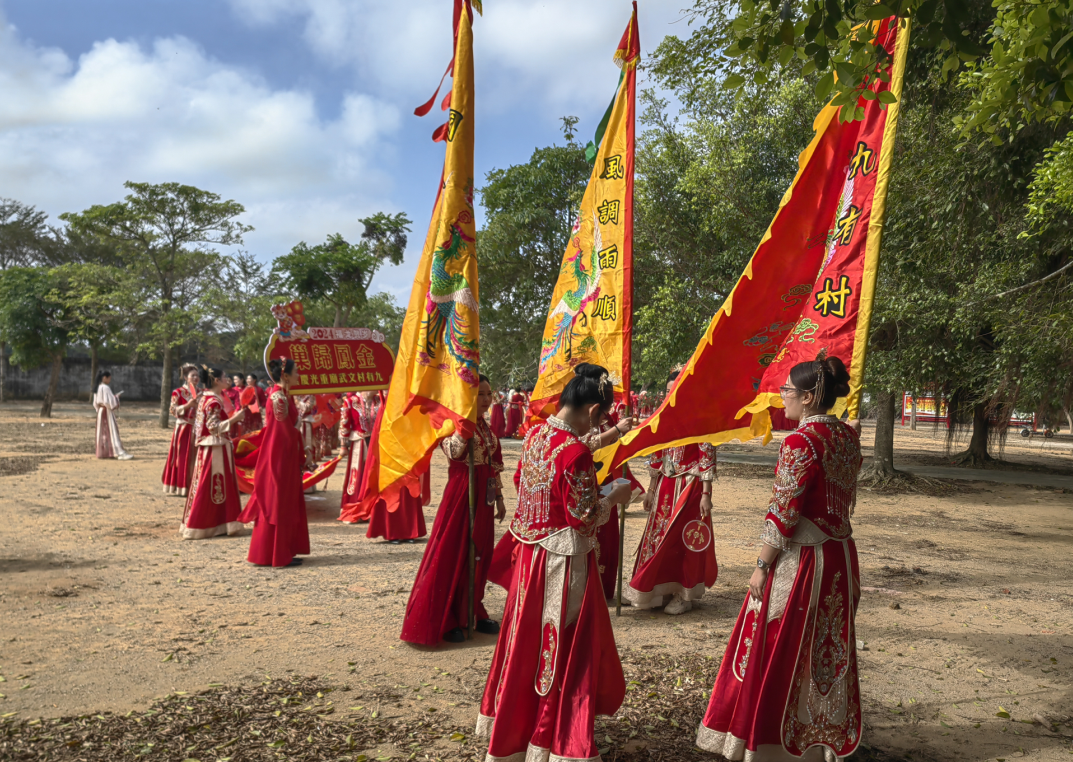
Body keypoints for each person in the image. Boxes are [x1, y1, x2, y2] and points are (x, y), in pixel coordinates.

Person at [696, 353, 864, 760]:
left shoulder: (800, 442)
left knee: (778, 639)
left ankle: (771, 739)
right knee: (825, 643)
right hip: (840, 554)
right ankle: (818, 736)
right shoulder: (846, 436)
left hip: (803, 558)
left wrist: (761, 564)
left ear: (808, 398)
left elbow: (785, 510)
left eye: (787, 390)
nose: (782, 396)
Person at [475, 363, 631, 760]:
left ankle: (515, 726)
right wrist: (612, 496)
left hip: (530, 556)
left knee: (524, 642)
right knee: (561, 646)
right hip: (562, 564)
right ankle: (550, 737)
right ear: (593, 411)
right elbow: (585, 515)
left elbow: (564, 457)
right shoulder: (575, 453)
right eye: (602, 418)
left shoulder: (537, 434)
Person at [400, 375, 505, 645]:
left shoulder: (486, 427)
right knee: (454, 550)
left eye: (488, 393)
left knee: (481, 551)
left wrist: (500, 496)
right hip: (462, 492)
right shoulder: (449, 423)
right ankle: (447, 617)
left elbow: (493, 463)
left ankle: (473, 609)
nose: (485, 399)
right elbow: (455, 452)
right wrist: (463, 426)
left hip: (484, 495)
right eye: (479, 394)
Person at [624, 368, 719, 615]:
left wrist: (706, 494)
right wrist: (651, 489)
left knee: (682, 538)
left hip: (690, 485)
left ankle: (684, 593)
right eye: (666, 391)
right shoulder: (663, 416)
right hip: (666, 485)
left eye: (673, 390)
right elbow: (658, 452)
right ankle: (655, 590)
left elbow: (707, 455)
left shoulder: (700, 417)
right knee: (657, 538)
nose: (669, 394)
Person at [238, 358, 310, 567]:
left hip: (284, 454)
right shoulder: (279, 398)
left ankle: (283, 549)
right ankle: (276, 553)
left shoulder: (284, 396)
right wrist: (299, 449)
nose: (298, 375)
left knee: (284, 501)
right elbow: (283, 433)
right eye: (295, 372)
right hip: (280, 456)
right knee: (277, 501)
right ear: (285, 375)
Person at [180, 366, 244, 540]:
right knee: (214, 483)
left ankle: (211, 522)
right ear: (216, 380)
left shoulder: (206, 398)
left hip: (209, 446)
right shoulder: (213, 402)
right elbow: (213, 427)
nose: (227, 379)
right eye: (224, 377)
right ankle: (209, 523)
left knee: (206, 483)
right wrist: (235, 419)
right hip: (215, 447)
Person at [365, 395, 428, 544]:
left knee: (409, 491)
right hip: (391, 452)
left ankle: (409, 532)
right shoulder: (386, 402)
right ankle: (393, 532)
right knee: (393, 492)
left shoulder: (411, 400)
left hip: (408, 450)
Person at [162, 364, 200, 495]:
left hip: (197, 428)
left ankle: (195, 486)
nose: (196, 378)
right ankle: (182, 486)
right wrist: (188, 405)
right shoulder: (178, 392)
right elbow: (173, 410)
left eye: (197, 375)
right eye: (192, 375)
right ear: (185, 377)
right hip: (183, 428)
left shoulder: (201, 392)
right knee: (182, 457)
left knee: (196, 457)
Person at [92, 370, 132, 460]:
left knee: (103, 432)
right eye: (109, 378)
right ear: (105, 378)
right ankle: (118, 452)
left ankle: (104, 452)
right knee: (112, 431)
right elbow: (110, 402)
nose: (110, 380)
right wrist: (117, 397)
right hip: (107, 411)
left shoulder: (97, 387)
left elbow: (95, 403)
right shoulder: (106, 388)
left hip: (101, 411)